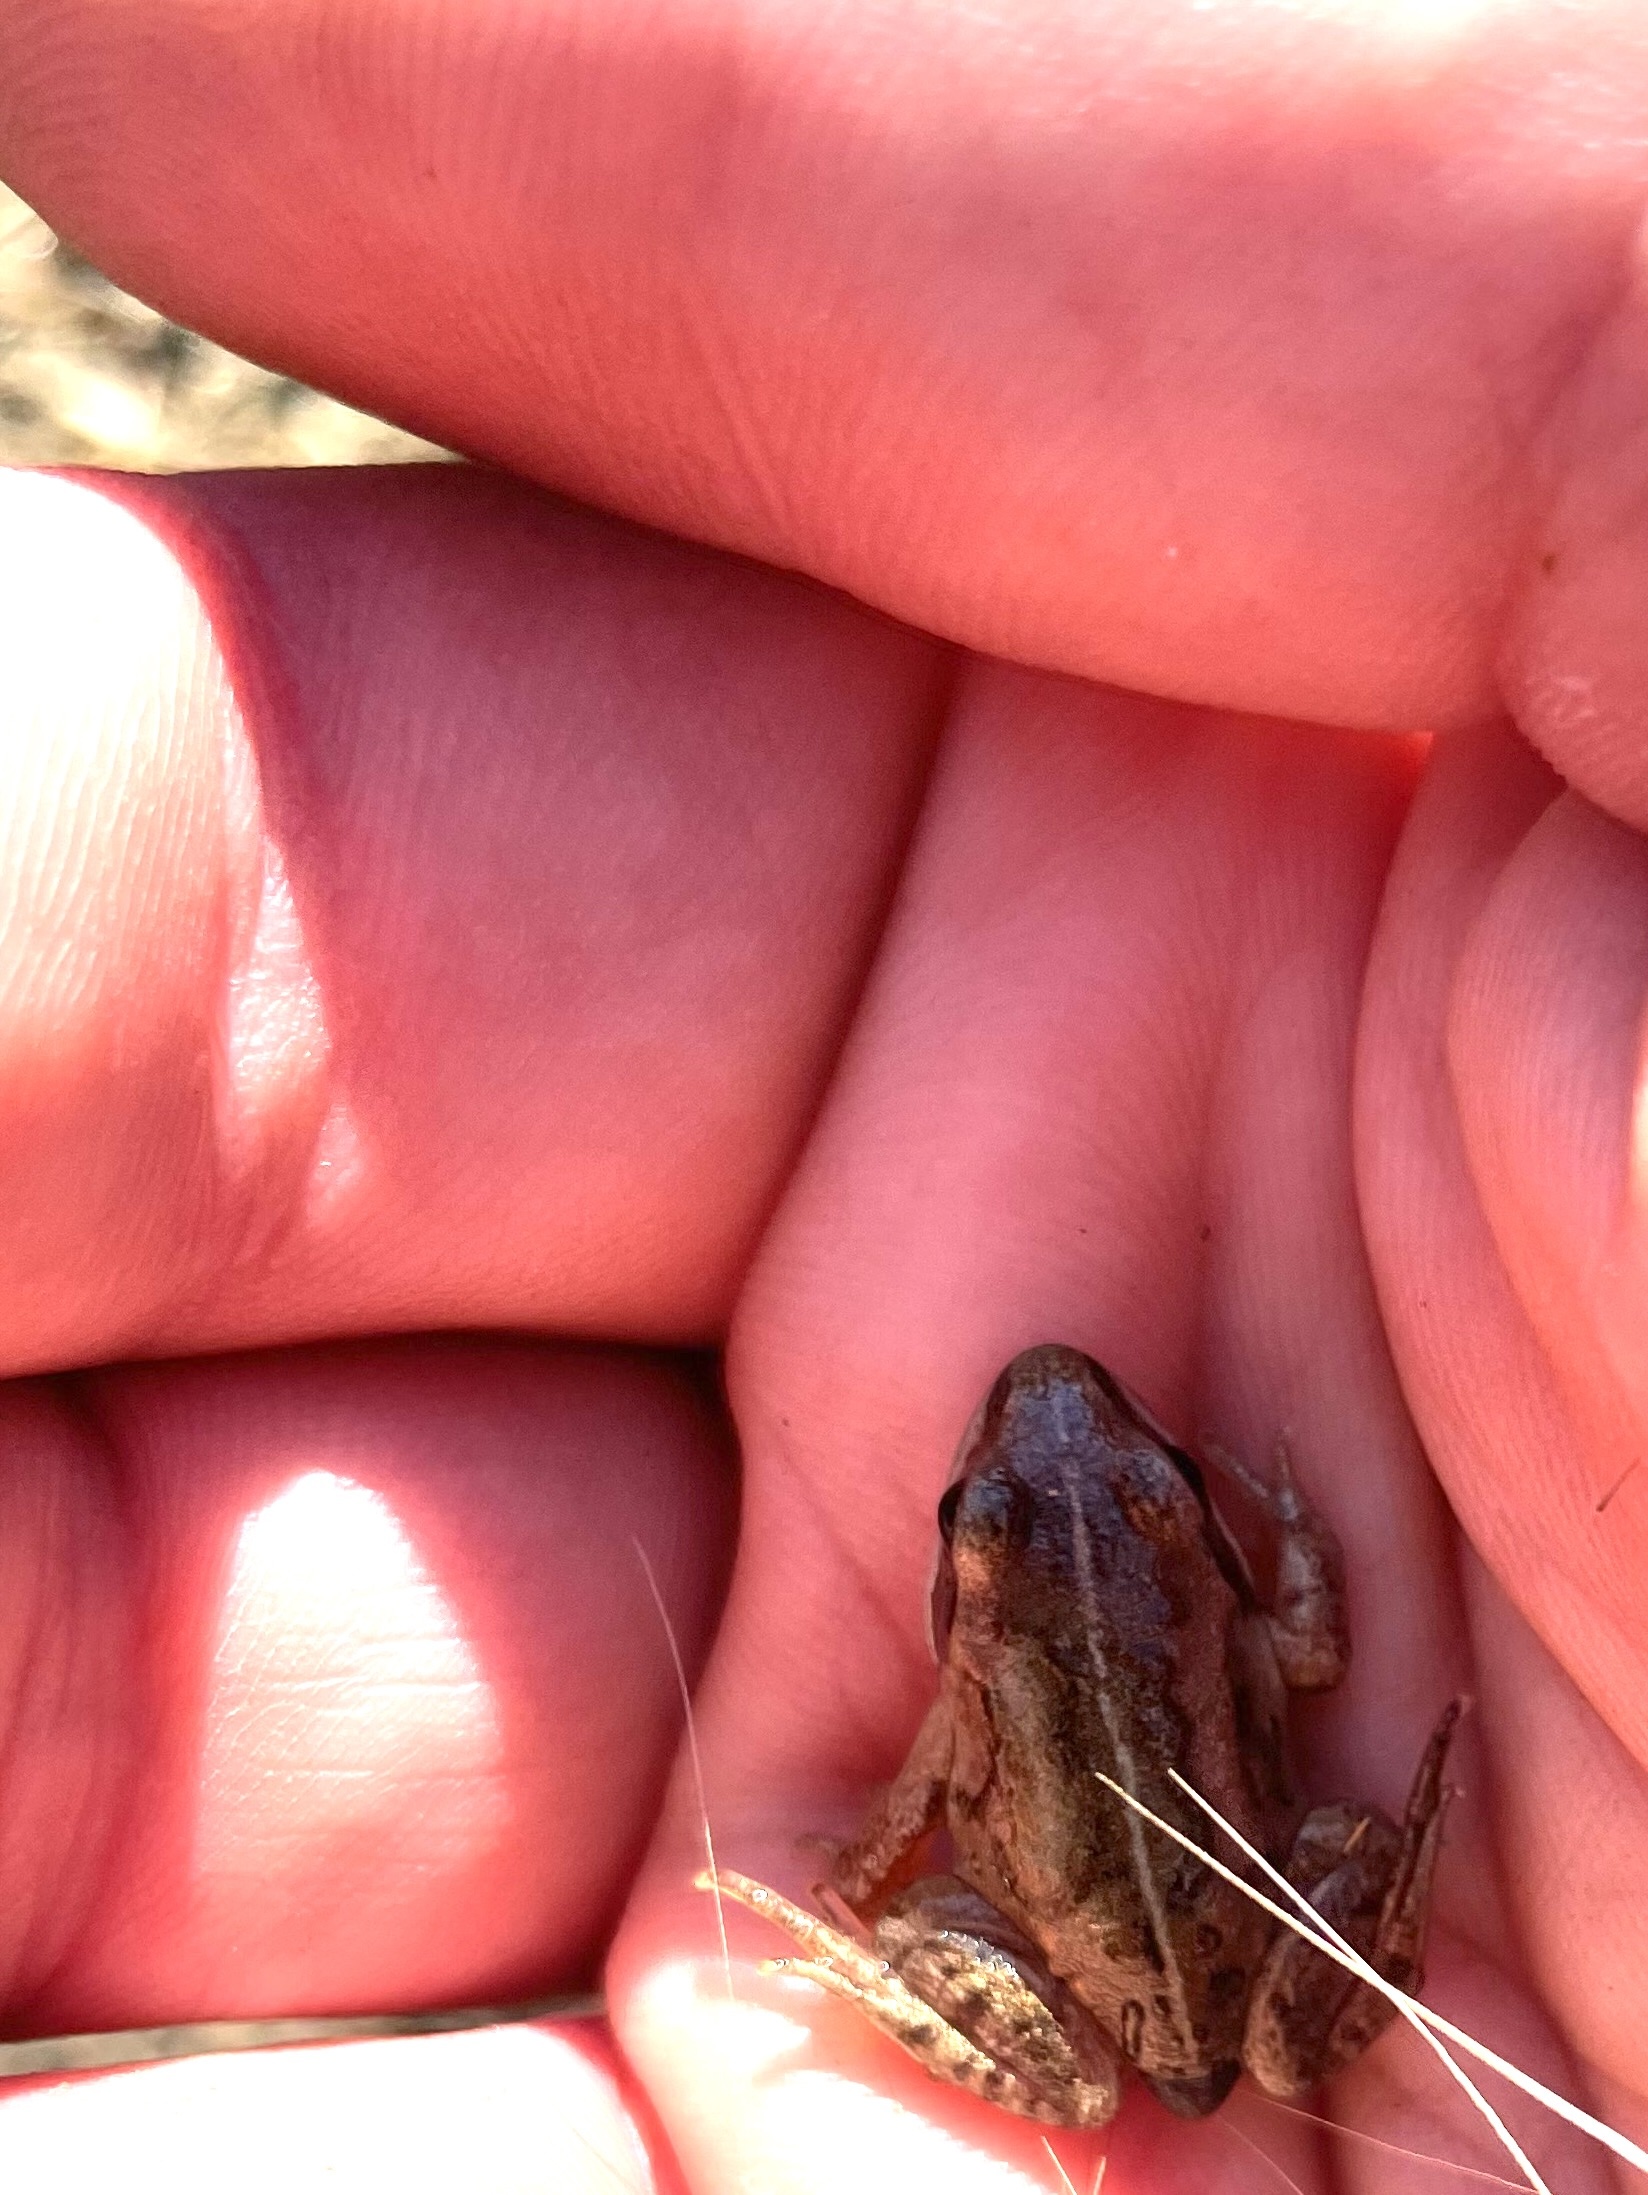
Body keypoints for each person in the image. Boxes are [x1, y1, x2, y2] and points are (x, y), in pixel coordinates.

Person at [0, 0, 1642, 2185]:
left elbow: (885, 1851)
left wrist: (841, 1911)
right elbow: (1324, 1637)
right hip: (1216, 1944)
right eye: (1073, 1504)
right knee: (1326, 1850)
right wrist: (1272, 1541)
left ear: (967, 1593)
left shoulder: (981, 1717)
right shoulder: (1246, 1619)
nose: (1059, 1452)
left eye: (1072, 1508)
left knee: (1137, 1998)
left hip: (1086, 1980)